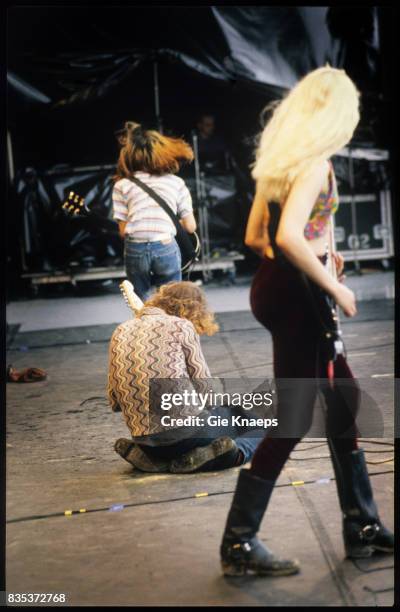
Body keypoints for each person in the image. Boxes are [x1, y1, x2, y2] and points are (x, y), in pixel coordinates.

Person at [219, 67, 394, 576]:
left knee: (343, 398)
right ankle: (239, 542)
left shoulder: (278, 163)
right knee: (296, 415)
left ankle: (362, 525)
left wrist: (318, 263)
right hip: (301, 295)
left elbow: (258, 237)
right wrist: (332, 283)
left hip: (276, 286)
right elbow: (293, 236)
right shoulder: (315, 164)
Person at [108, 281, 266, 473]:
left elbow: (114, 401)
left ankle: (151, 458)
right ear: (193, 310)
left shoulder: (120, 331)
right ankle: (230, 453)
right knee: (257, 423)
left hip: (143, 439)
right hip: (186, 435)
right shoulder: (181, 327)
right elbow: (207, 393)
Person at [112, 122, 197, 301]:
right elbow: (190, 226)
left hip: (136, 248)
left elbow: (123, 232)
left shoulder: (122, 185)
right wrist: (165, 223)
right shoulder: (176, 182)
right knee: (172, 300)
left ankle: (145, 325)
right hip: (165, 244)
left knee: (140, 301)